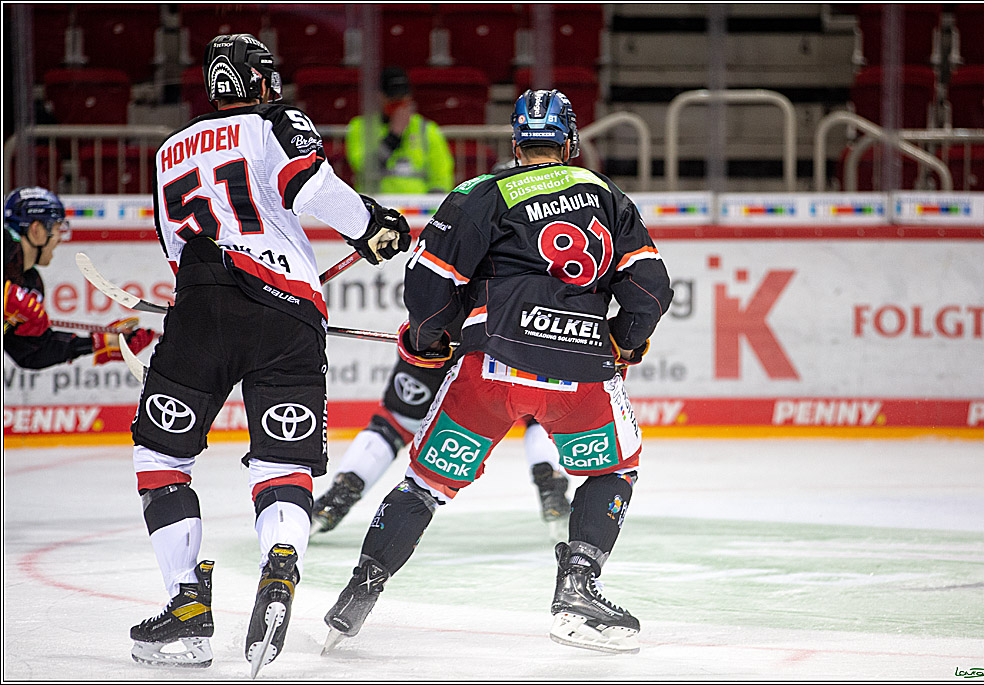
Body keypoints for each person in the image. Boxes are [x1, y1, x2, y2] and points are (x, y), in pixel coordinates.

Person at [321, 89, 673, 655]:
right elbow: (649, 288)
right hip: (580, 373)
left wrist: (426, 342)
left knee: (425, 486)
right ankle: (578, 588)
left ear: (515, 142)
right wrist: (624, 342)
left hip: (490, 372)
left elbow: (431, 291)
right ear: (569, 142)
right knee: (613, 472)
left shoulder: (478, 194)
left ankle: (361, 588)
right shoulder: (608, 196)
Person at [126, 33, 410, 672]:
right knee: (283, 461)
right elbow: (312, 189)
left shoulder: (169, 150)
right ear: (261, 83)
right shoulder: (276, 121)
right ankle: (280, 570)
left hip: (199, 308)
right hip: (288, 313)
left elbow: (178, 251)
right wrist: (373, 225)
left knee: (161, 456)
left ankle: (186, 610)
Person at [311, 358, 572, 539]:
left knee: (396, 422)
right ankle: (552, 492)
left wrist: (422, 339)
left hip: (441, 339)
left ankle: (336, 500)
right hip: (505, 341)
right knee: (538, 411)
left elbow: (432, 288)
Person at [3, 186, 156, 369]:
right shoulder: (5, 246)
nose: (60, 238)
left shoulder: (32, 284)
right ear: (36, 230)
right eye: (58, 228)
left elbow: (32, 353)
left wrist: (99, 342)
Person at [345, 66, 454, 194]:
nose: (399, 102)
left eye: (403, 97)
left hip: (419, 209)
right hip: (377, 206)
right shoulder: (360, 127)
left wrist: (431, 208)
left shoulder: (427, 129)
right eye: (393, 98)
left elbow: (442, 178)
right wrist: (393, 137)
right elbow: (364, 169)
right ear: (378, 96)